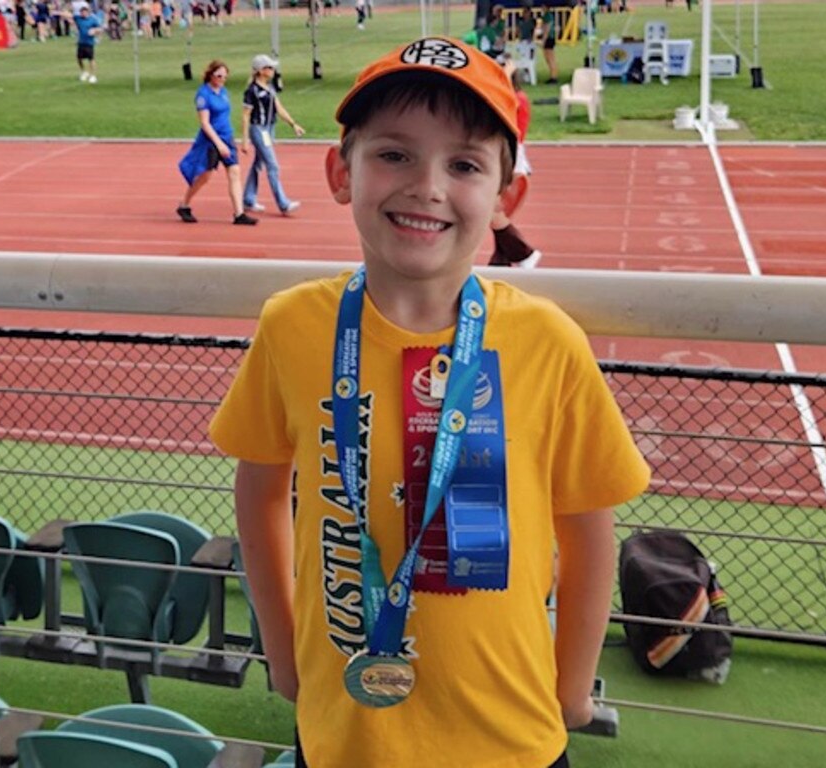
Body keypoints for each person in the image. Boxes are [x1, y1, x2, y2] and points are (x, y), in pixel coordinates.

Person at [209, 36, 650, 768]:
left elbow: (588, 528)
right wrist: (284, 659)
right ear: (339, 171)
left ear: (508, 199)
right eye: (394, 154)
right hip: (345, 734)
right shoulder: (293, 327)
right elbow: (258, 491)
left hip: (511, 739)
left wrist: (573, 688)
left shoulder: (547, 341)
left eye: (465, 164)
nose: (427, 186)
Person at [177, 60, 256, 225]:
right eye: (219, 75)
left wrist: (230, 139)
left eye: (225, 76)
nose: (222, 79)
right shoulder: (203, 95)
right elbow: (205, 124)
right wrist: (219, 144)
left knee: (234, 172)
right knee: (205, 176)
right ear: (210, 75)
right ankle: (184, 204)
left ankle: (239, 213)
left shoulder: (223, 91)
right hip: (211, 141)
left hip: (227, 137)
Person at [490, 57, 540, 268]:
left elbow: (503, 98)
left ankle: (524, 253)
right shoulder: (517, 97)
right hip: (510, 153)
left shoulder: (517, 99)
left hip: (512, 154)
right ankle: (501, 260)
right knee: (495, 213)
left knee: (493, 212)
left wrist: (505, 73)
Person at [240, 53, 304, 216]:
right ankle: (283, 204)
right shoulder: (252, 91)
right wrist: (245, 140)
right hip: (259, 129)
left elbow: (278, 108)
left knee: (258, 164)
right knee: (272, 166)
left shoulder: (270, 88)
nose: (272, 69)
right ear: (260, 71)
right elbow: (246, 115)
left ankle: (248, 199)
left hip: (269, 129)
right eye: (269, 67)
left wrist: (293, 124)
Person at [68, 4, 101, 83]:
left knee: (91, 59)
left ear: (87, 12)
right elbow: (69, 16)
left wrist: (94, 31)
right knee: (79, 58)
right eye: (82, 13)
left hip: (89, 43)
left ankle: (93, 75)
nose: (83, 14)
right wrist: (57, 12)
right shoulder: (78, 19)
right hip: (81, 42)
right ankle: (84, 72)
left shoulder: (92, 20)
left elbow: (100, 28)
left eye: (85, 12)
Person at [540, 6, 559, 83]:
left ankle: (553, 76)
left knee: (550, 58)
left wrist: (543, 40)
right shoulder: (547, 15)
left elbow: (546, 28)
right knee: (550, 58)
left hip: (549, 38)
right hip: (550, 38)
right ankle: (553, 75)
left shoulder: (547, 16)